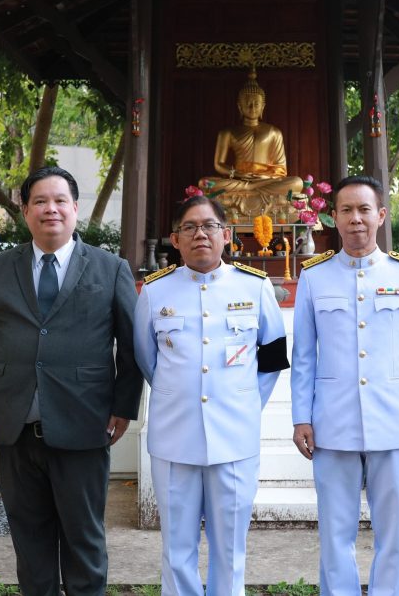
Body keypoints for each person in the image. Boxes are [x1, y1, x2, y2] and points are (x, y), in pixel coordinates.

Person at [0, 166, 143, 596]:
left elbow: (131, 345)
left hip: (84, 426)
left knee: (83, 542)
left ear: (75, 209)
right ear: (25, 211)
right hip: (16, 428)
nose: (51, 209)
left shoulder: (110, 268)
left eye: (60, 200)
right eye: (40, 201)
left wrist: (123, 408)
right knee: (31, 545)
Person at [290, 175, 399, 596]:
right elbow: (303, 354)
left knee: (394, 535)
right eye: (346, 210)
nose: (356, 219)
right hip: (332, 424)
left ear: (381, 215)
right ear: (332, 218)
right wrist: (301, 416)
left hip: (393, 422)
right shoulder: (314, 279)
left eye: (364, 210)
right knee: (335, 535)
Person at [134, 195, 289, 596]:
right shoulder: (155, 292)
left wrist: (242, 403)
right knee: (176, 548)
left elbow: (271, 359)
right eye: (189, 227)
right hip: (174, 437)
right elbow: (146, 359)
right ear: (175, 239)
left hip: (234, 438)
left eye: (209, 226)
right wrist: (180, 393)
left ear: (226, 236)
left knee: (231, 546)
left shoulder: (255, 288)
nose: (200, 233)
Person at [199, 67, 304, 221]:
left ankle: (250, 189)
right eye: (247, 103)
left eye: (256, 103)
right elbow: (219, 164)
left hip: (265, 179)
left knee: (296, 182)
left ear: (263, 106)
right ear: (239, 106)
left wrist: (261, 177)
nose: (252, 107)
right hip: (238, 179)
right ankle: (250, 189)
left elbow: (281, 169)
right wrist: (237, 174)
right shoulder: (228, 133)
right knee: (204, 183)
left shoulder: (274, 132)